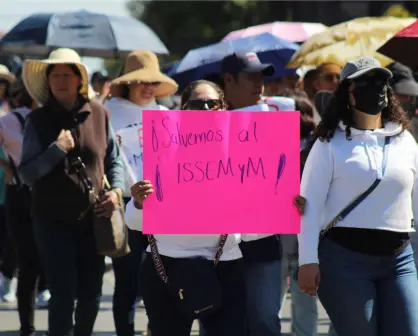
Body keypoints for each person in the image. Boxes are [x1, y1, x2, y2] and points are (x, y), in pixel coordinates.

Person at [298, 57, 418, 336]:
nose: (375, 89)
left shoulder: (405, 139)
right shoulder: (328, 143)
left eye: (380, 83)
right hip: (344, 260)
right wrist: (307, 260)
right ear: (347, 94)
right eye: (365, 83)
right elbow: (310, 204)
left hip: (400, 258)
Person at [19, 48, 125, 336]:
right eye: (56, 75)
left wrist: (115, 192)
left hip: (94, 219)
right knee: (63, 295)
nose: (62, 80)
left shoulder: (99, 113)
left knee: (91, 293)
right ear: (48, 81)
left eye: (68, 74)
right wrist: (56, 150)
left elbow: (115, 161)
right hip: (51, 220)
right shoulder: (37, 121)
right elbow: (26, 173)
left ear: (79, 80)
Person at [105, 49, 178, 336]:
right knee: (127, 280)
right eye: (140, 81)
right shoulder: (108, 113)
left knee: (163, 276)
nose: (148, 87)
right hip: (124, 206)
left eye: (153, 82)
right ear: (127, 82)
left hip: (164, 207)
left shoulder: (166, 114)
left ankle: (155, 329)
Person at [220, 52, 284, 336]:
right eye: (251, 77)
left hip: (264, 243)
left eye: (261, 77)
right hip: (218, 247)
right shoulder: (204, 124)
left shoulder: (276, 119)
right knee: (222, 322)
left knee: (264, 320)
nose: (259, 85)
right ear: (228, 80)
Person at [0, 78, 50, 335]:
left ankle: (26, 327)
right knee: (46, 258)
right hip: (45, 193)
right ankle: (54, 319)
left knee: (27, 260)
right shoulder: (46, 118)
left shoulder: (7, 120)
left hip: (18, 192)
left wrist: (8, 167)